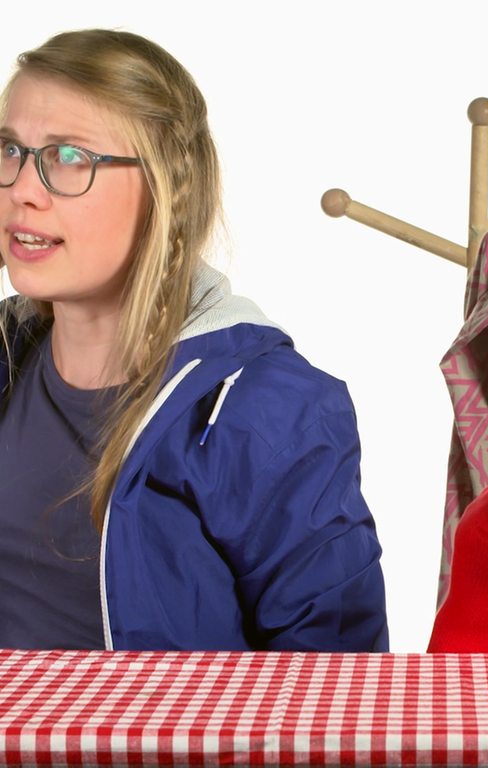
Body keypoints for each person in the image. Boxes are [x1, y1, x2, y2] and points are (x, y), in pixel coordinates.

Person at [0, 29, 388, 652]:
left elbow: (335, 681)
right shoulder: (7, 358)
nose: (22, 188)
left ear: (163, 192)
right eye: (10, 150)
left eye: (69, 156)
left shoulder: (265, 409)